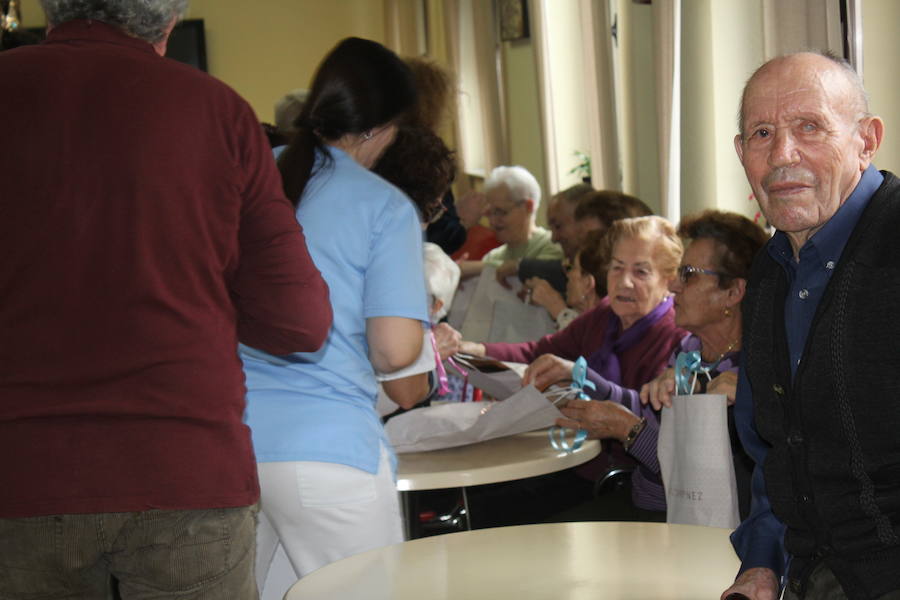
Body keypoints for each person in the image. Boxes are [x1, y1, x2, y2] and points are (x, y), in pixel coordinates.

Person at [0, 1, 332, 598]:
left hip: (21, 471)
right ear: (168, 21)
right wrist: (199, 293)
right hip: (183, 467)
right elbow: (299, 319)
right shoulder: (217, 111)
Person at [240, 37, 429, 596]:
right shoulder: (383, 206)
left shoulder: (249, 182)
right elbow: (395, 354)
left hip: (234, 444)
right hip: (327, 451)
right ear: (380, 128)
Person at [720, 51, 898, 600]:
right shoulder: (771, 272)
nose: (782, 154)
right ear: (740, 152)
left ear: (867, 140)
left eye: (810, 127)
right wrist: (762, 562)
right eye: (762, 132)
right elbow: (776, 450)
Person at [445, 216, 686, 518]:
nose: (624, 282)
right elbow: (540, 352)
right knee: (476, 503)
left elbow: (653, 422)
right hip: (573, 462)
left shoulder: (676, 336)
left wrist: (580, 375)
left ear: (669, 280)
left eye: (641, 271)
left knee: (496, 515)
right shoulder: (604, 316)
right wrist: (471, 349)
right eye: (616, 267)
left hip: (622, 483)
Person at [557, 210, 768, 517]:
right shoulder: (690, 348)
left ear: (733, 292)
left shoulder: (746, 374)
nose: (673, 287)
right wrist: (582, 379)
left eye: (689, 274)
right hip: (647, 505)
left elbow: (697, 477)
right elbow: (650, 413)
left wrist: (625, 429)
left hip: (685, 524)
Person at [458, 165, 564, 279]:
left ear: (528, 207)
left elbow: (542, 270)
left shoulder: (552, 246)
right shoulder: (493, 257)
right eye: (489, 213)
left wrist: (481, 268)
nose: (492, 221)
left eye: (500, 212)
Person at [527, 229, 606, 330]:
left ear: (587, 283)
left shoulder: (603, 330)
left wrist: (559, 310)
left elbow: (582, 344)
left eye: (572, 267)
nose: (567, 274)